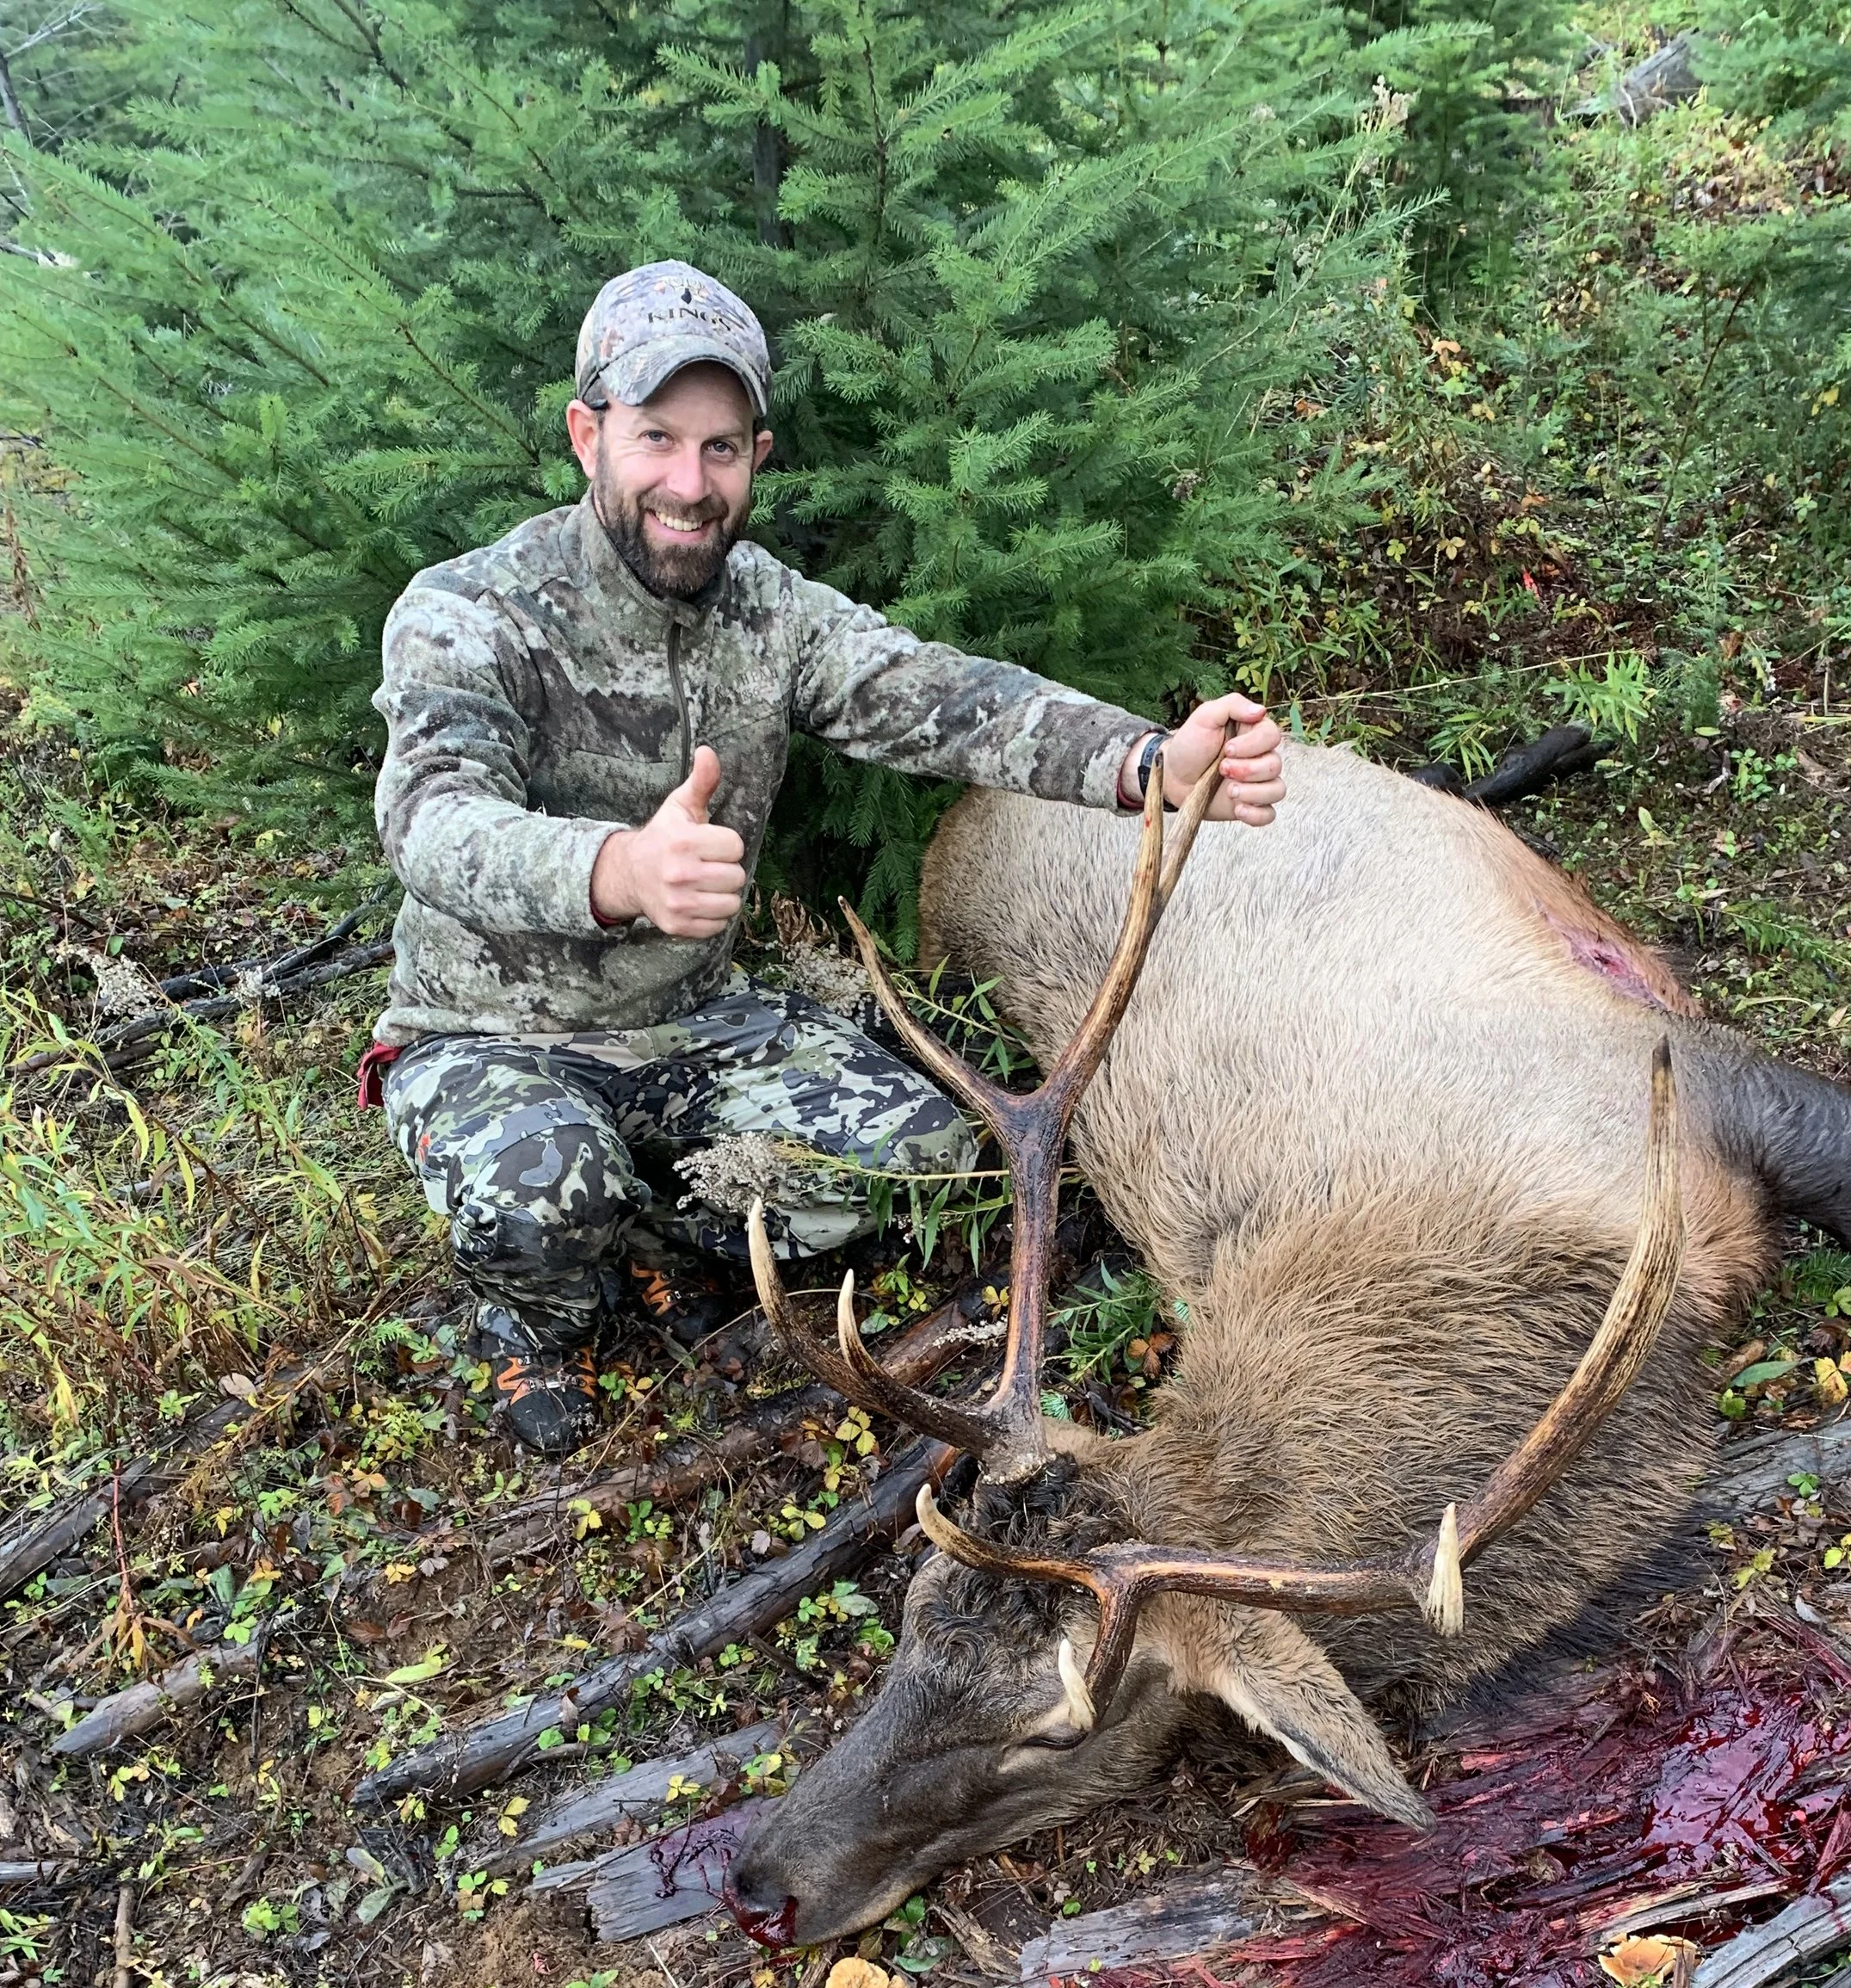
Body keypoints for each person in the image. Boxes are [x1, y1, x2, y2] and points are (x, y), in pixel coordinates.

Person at [367, 259, 1286, 1451]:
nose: (689, 487)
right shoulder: (468, 610)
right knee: (541, 1197)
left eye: (722, 449)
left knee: (923, 1159)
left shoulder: (771, 612)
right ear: (587, 434)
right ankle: (529, 1322)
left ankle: (651, 1226)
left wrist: (1146, 762)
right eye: (656, 440)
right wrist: (614, 872)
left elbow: (942, 698)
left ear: (756, 453)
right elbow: (430, 820)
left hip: (695, 1019)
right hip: (489, 1033)